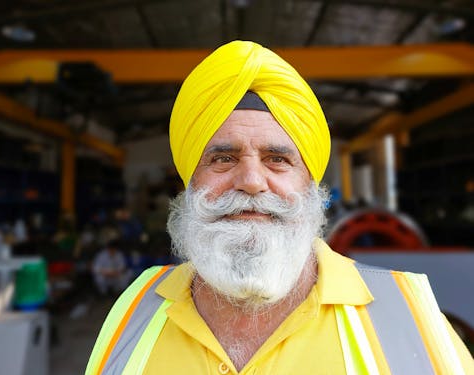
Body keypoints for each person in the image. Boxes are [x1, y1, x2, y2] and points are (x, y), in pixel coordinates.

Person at [86, 41, 473, 374]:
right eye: (222, 158)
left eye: (277, 159)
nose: (251, 181)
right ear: (190, 182)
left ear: (311, 184)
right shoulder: (134, 307)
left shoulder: (410, 315)